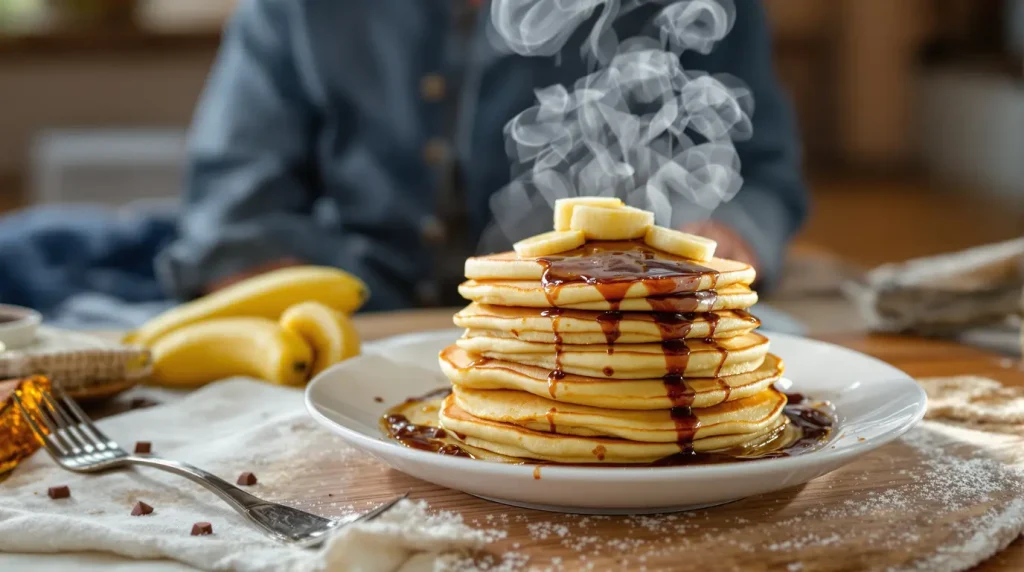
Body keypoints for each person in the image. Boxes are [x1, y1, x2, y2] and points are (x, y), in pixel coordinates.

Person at [156, 0, 807, 311]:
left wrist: (729, 234)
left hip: (599, 313)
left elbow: (763, 175)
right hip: (359, 313)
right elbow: (235, 202)